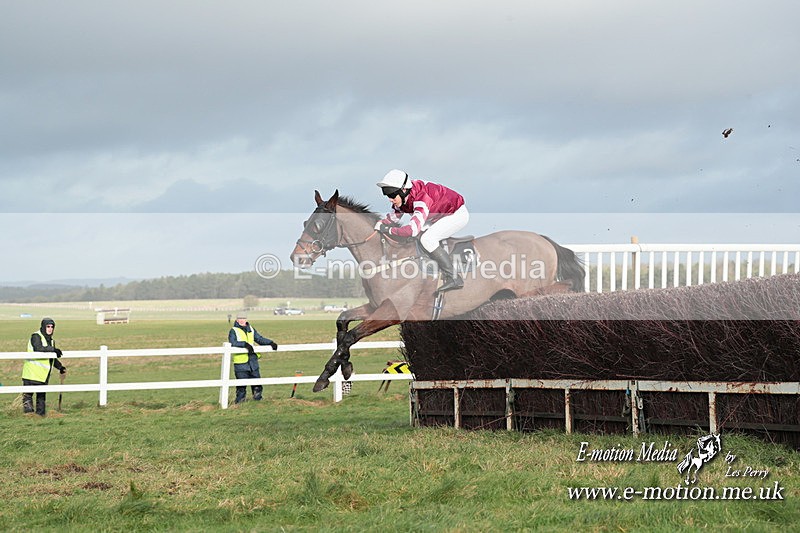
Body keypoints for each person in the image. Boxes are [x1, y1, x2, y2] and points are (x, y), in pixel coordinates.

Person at [375, 169, 469, 292]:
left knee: (427, 239)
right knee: (418, 236)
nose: (390, 199)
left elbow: (411, 230)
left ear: (403, 190)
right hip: (437, 216)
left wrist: (389, 230)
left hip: (456, 214)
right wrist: (379, 224)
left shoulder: (421, 199)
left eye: (392, 195)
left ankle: (454, 277)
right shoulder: (404, 197)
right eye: (387, 195)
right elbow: (393, 217)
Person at [228, 312, 278, 403]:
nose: (242, 320)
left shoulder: (251, 329)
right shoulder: (233, 330)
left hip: (252, 361)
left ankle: (258, 402)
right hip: (241, 363)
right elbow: (232, 342)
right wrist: (245, 345)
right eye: (240, 319)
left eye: (244, 318)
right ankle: (239, 403)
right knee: (241, 386)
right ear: (237, 320)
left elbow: (259, 339)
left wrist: (270, 343)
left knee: (257, 384)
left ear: (246, 319)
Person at [22, 317, 66, 416]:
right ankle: (29, 416)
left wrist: (60, 367)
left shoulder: (51, 341)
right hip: (31, 373)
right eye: (48, 326)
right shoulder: (36, 336)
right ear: (43, 327)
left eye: (52, 327)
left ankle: (40, 416)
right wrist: (53, 349)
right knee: (28, 396)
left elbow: (51, 358)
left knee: (41, 397)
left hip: (42, 375)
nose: (50, 329)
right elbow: (38, 348)